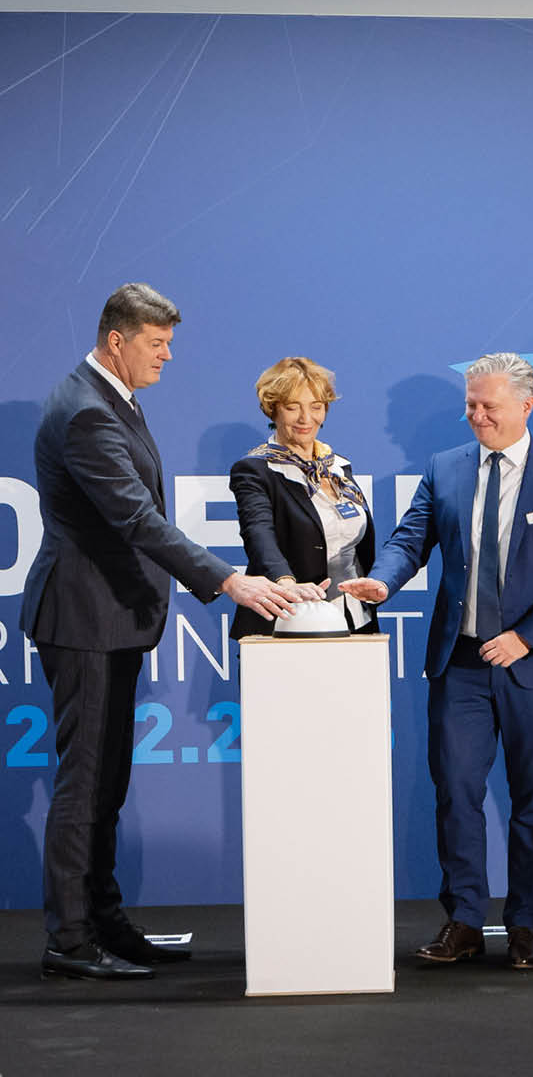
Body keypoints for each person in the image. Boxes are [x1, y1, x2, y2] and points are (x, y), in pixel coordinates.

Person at [23, 283, 307, 980]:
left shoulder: (108, 397)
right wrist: (229, 580)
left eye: (169, 343)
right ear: (116, 340)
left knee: (106, 783)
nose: (167, 356)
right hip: (85, 617)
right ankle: (69, 940)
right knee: (85, 784)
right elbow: (134, 518)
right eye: (157, 343)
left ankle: (103, 922)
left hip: (111, 616)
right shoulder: (86, 412)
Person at [339, 353, 533, 971]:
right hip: (460, 662)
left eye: (489, 406)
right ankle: (464, 919)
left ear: (526, 406)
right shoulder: (445, 467)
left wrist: (525, 637)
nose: (477, 416)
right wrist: (384, 581)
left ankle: (525, 925)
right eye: (470, 404)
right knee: (456, 791)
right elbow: (411, 537)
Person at [230, 357, 379, 639]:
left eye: (316, 406)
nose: (305, 418)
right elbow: (258, 534)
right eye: (292, 407)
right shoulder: (256, 470)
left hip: (355, 618)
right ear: (273, 409)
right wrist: (286, 584)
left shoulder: (338, 467)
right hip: (288, 618)